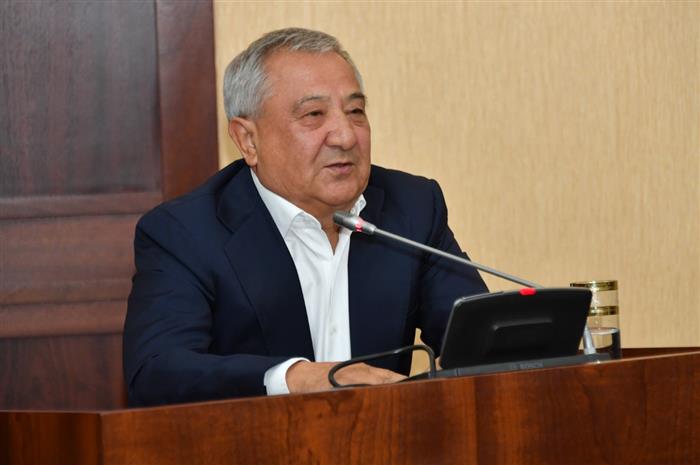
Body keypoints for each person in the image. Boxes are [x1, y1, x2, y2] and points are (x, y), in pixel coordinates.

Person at [123, 28, 487, 407]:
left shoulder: (412, 207)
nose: (345, 136)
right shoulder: (186, 233)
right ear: (248, 140)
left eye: (355, 112)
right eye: (314, 114)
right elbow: (156, 371)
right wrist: (295, 378)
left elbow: (485, 339)